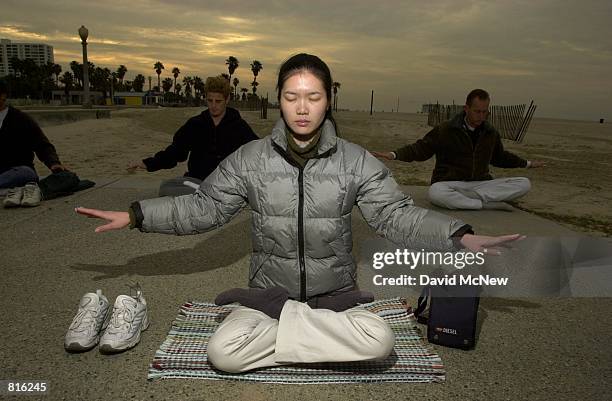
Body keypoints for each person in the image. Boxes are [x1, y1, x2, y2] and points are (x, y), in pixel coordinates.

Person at [76, 54, 522, 373]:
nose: (303, 108)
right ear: (280, 100)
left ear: (328, 99)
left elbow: (396, 214)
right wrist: (136, 215)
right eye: (292, 97)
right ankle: (316, 339)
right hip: (270, 297)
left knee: (382, 343)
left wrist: (458, 235)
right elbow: (203, 208)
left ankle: (299, 331)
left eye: (313, 97)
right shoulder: (250, 158)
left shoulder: (356, 161)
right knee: (222, 354)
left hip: (335, 296)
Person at [372, 89, 545, 210]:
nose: (481, 116)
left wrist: (528, 164)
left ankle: (469, 200)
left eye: (485, 112)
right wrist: (394, 154)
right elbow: (421, 148)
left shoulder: (490, 132)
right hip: (450, 183)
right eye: (477, 111)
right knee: (435, 193)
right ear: (466, 108)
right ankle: (483, 205)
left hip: (479, 183)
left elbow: (500, 157)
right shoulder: (446, 129)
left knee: (524, 183)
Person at [127, 76, 258, 196]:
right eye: (209, 100)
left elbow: (257, 151)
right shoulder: (195, 124)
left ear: (227, 99)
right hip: (197, 182)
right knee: (165, 188)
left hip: (226, 184)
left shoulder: (238, 125)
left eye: (218, 101)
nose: (213, 105)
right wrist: (147, 163)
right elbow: (176, 152)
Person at [0, 80, 68, 207]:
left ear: (3, 96)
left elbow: (42, 144)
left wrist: (54, 163)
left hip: (17, 170)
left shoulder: (20, 119)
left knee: (26, 173)